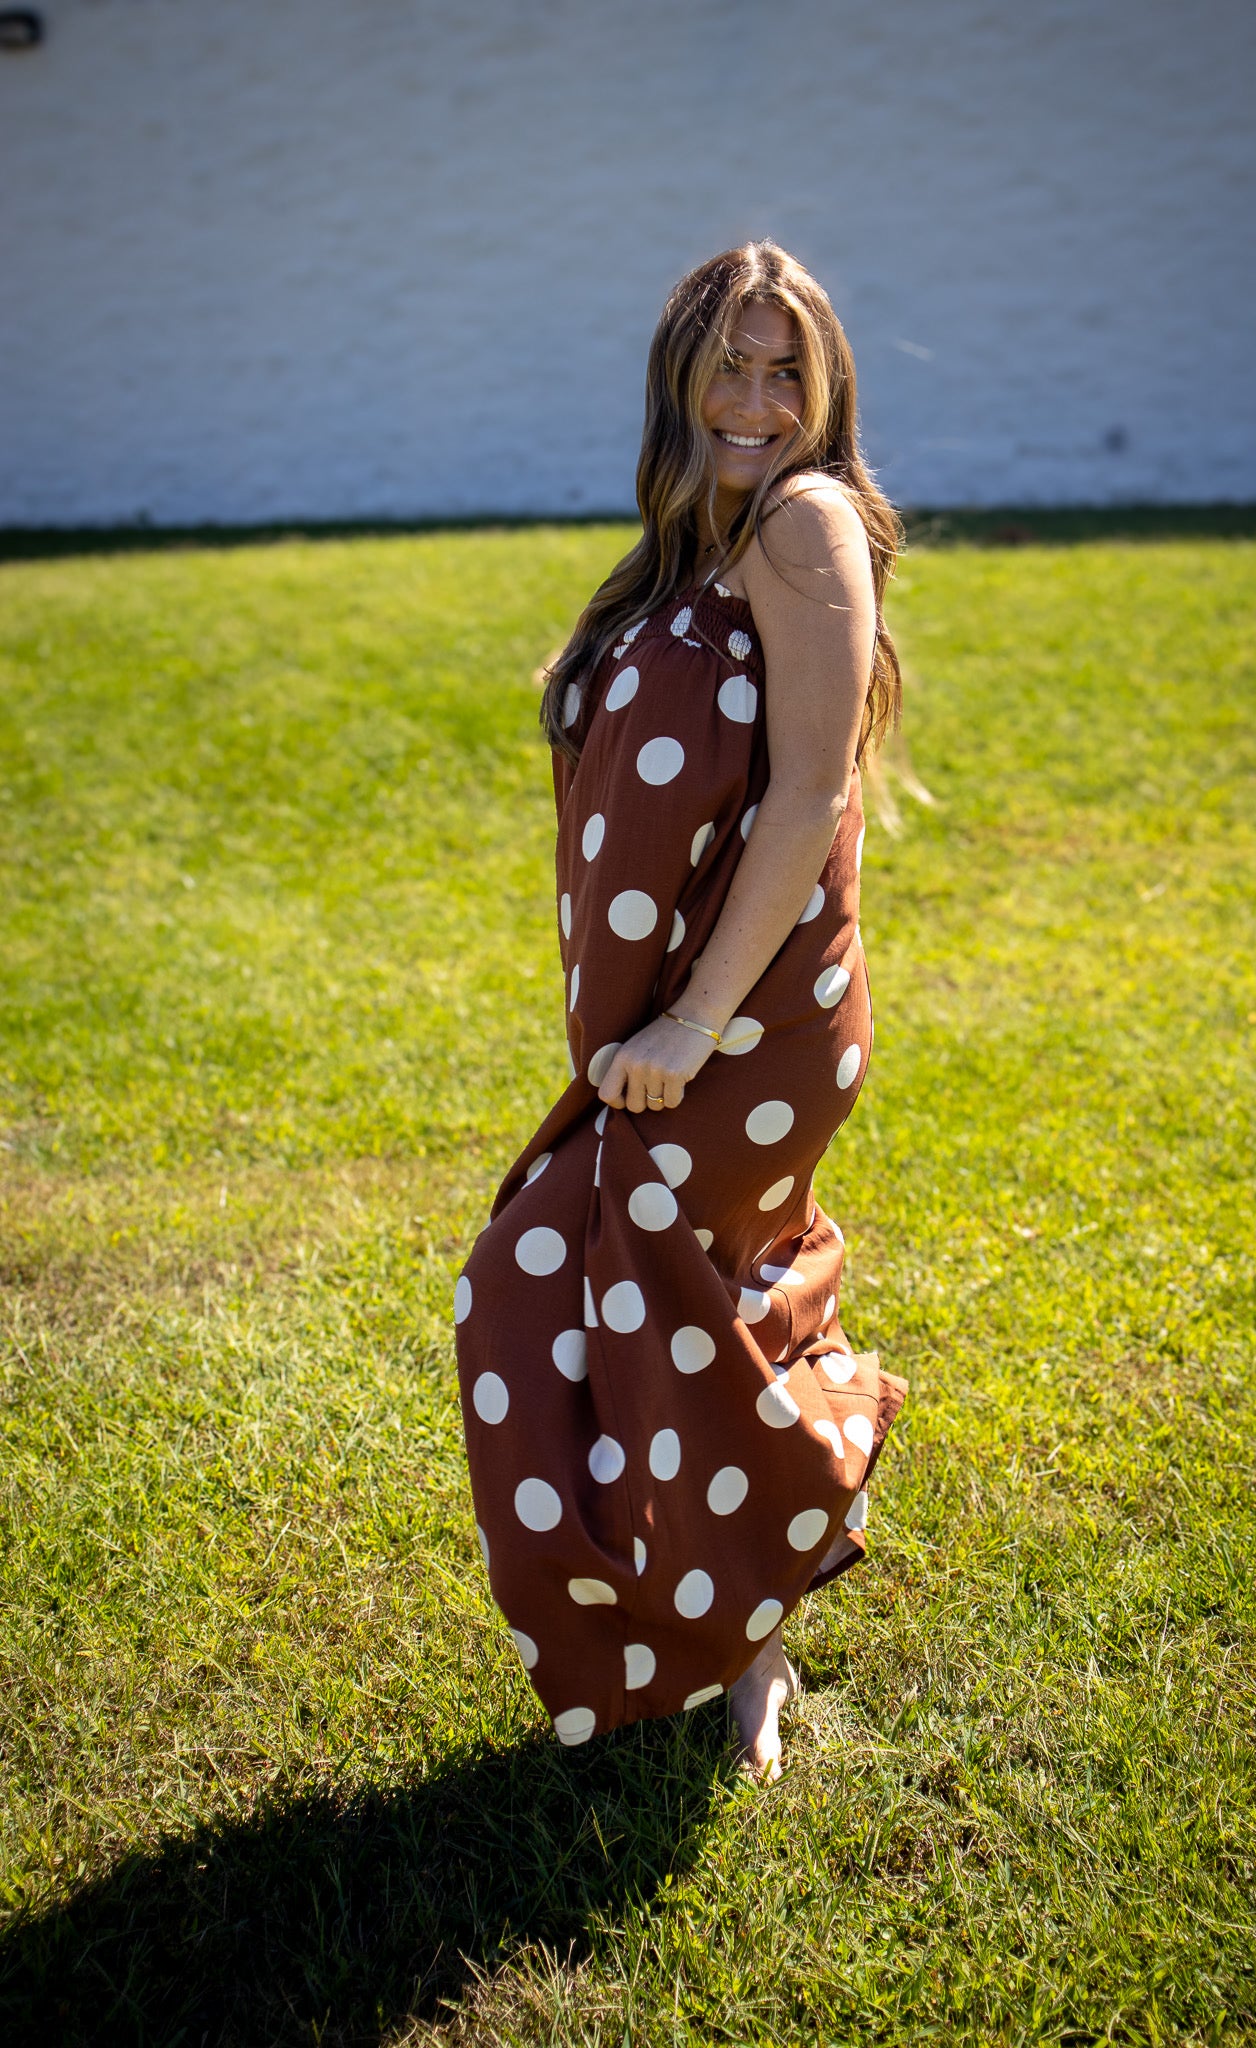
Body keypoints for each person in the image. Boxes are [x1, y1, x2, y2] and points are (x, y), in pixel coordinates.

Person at [455, 239, 907, 1781]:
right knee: (686, 1314)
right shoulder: (698, 541)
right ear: (678, 376)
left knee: (538, 1281)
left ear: (828, 386)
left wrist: (687, 1025)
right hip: (708, 1027)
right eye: (731, 362)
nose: (758, 397)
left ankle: (759, 1570)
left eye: (789, 369)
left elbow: (804, 804)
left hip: (748, 1032)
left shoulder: (798, 522)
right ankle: (746, 1647)